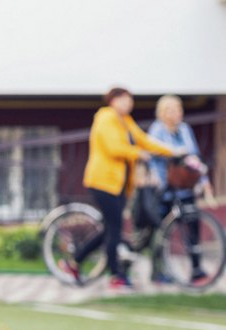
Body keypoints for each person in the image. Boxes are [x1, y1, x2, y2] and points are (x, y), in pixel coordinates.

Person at [62, 87, 175, 290]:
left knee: (110, 229)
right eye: (123, 100)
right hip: (103, 182)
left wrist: (171, 152)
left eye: (130, 100)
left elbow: (144, 140)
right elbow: (114, 148)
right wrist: (137, 153)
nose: (127, 104)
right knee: (115, 228)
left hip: (120, 185)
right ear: (113, 100)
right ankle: (116, 275)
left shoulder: (126, 121)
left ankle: (75, 262)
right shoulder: (105, 118)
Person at [146, 94, 210, 285]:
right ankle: (157, 271)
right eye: (172, 110)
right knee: (159, 229)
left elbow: (194, 159)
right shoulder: (157, 130)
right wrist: (173, 152)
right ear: (163, 113)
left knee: (193, 224)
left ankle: (197, 269)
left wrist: (204, 180)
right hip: (165, 189)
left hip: (185, 187)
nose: (177, 113)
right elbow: (150, 152)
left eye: (179, 109)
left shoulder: (184, 129)